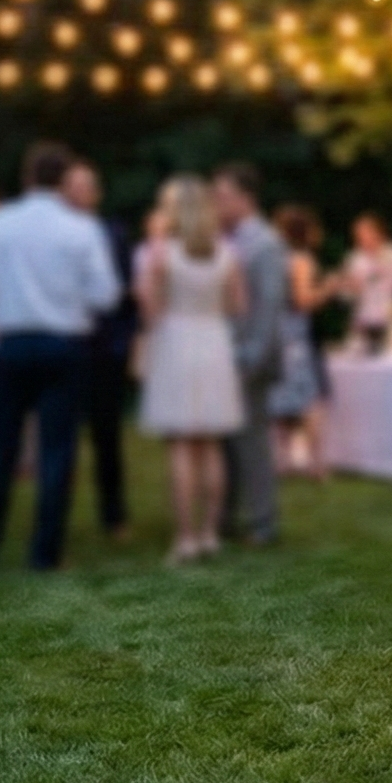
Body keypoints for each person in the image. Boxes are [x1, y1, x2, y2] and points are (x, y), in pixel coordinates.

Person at [0, 143, 121, 571]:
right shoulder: (82, 229)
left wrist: (6, 300)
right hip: (64, 345)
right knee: (56, 451)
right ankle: (45, 554)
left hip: (10, 344)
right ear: (66, 181)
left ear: (26, 177)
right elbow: (105, 295)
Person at [137, 176, 246, 565]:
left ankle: (185, 538)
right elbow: (238, 307)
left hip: (176, 342)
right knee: (212, 445)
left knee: (182, 444)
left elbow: (150, 312)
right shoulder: (227, 252)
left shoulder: (161, 252)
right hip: (214, 342)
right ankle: (210, 535)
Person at [210, 163, 289, 544]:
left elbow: (270, 306)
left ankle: (263, 522)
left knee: (252, 443)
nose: (215, 202)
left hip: (250, 357)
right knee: (226, 441)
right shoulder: (225, 239)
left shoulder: (265, 242)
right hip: (226, 354)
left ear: (245, 199)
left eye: (222, 196)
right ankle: (226, 515)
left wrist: (251, 356)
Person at [64, 161, 139, 538]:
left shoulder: (113, 234)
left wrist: (123, 343)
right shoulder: (52, 234)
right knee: (61, 434)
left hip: (104, 348)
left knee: (107, 436)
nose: (79, 193)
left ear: (97, 193)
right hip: (63, 345)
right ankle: (57, 517)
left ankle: (114, 515)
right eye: (72, 187)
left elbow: (128, 293)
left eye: (86, 186)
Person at [338, 212, 392, 354]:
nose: (360, 238)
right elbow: (344, 297)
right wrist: (349, 289)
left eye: (365, 233)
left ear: (379, 233)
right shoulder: (354, 259)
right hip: (364, 324)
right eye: (357, 234)